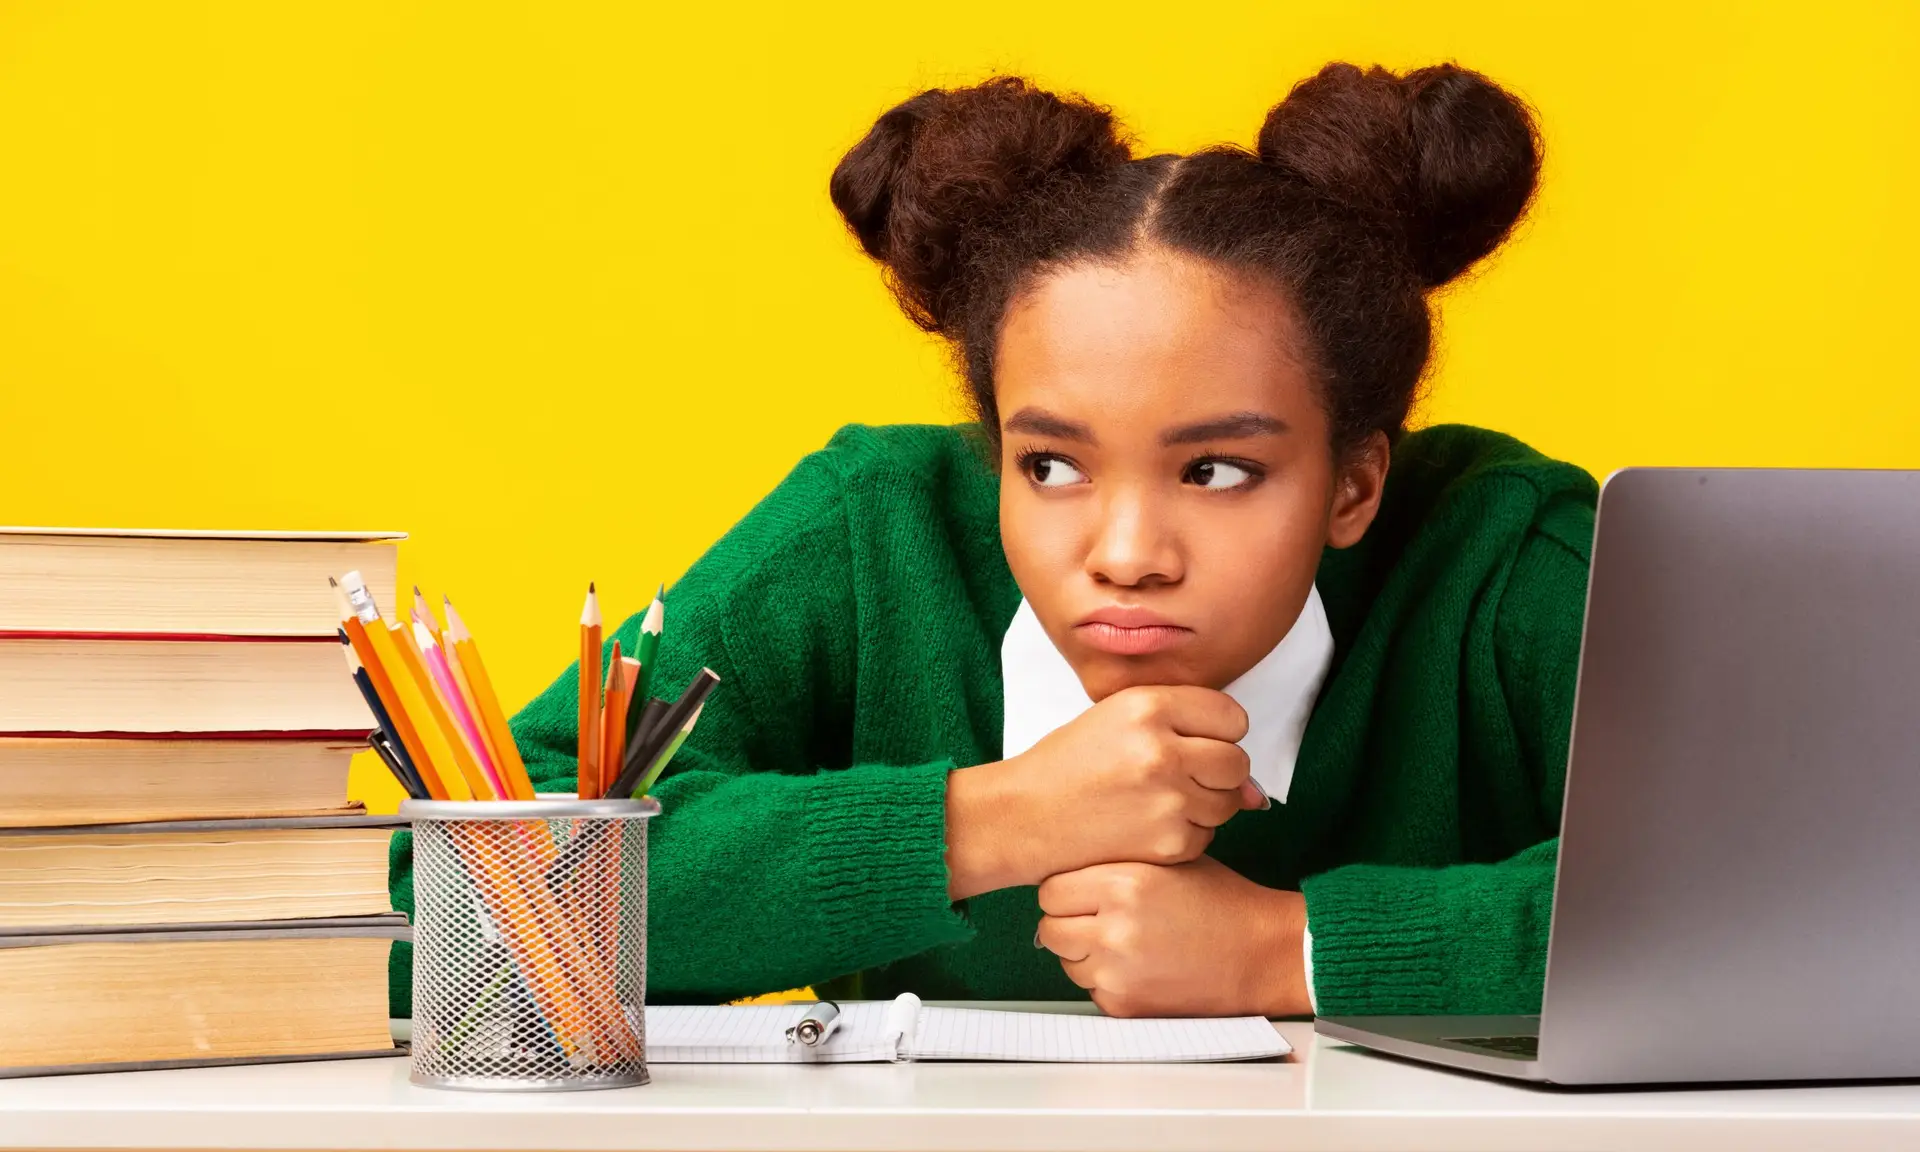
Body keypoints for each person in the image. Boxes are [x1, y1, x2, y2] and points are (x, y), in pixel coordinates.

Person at [388, 61, 1597, 1020]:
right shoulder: (872, 532)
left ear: (1353, 484)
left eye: (1219, 470)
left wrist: (1293, 950)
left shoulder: (1502, 558)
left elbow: (1774, 887)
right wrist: (996, 819)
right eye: (1051, 467)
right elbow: (437, 912)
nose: (1127, 551)